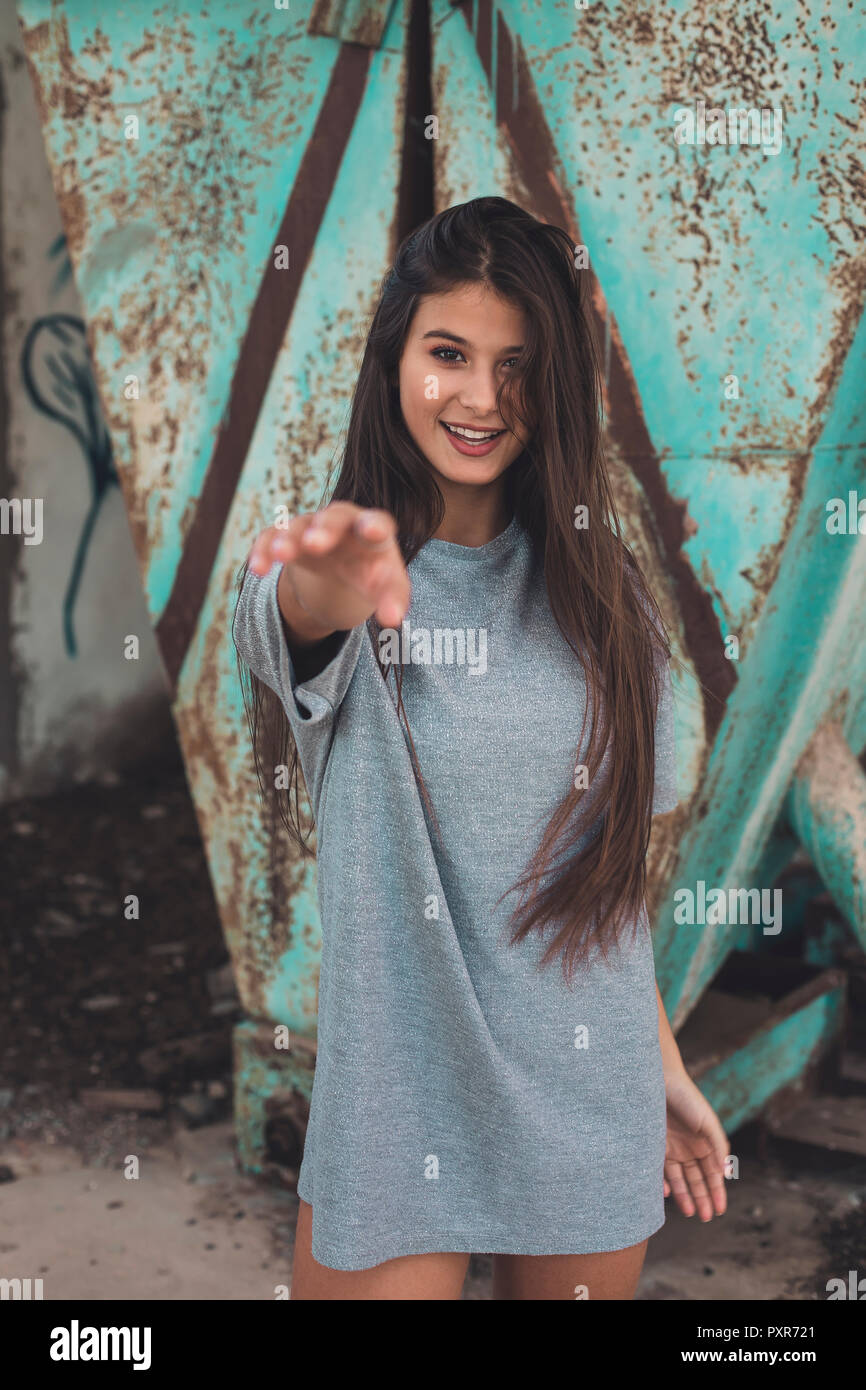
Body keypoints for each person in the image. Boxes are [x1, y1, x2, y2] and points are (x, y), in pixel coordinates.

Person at [232, 196, 728, 1300]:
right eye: (446, 353)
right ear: (393, 356)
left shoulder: (607, 601)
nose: (477, 397)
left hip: (584, 1106)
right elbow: (298, 603)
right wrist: (329, 563)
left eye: (516, 365)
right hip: (396, 1108)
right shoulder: (341, 589)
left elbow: (598, 884)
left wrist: (661, 1067)